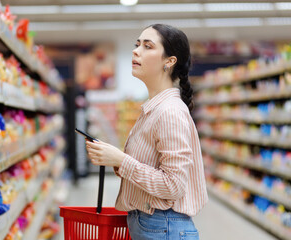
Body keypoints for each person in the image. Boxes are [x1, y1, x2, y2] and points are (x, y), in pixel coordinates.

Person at [85, 23, 208, 239]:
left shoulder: (169, 112)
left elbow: (173, 186)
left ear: (169, 61)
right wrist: (114, 159)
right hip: (154, 224)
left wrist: (122, 161)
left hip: (163, 226)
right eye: (137, 44)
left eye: (148, 46)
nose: (136, 50)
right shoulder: (154, 109)